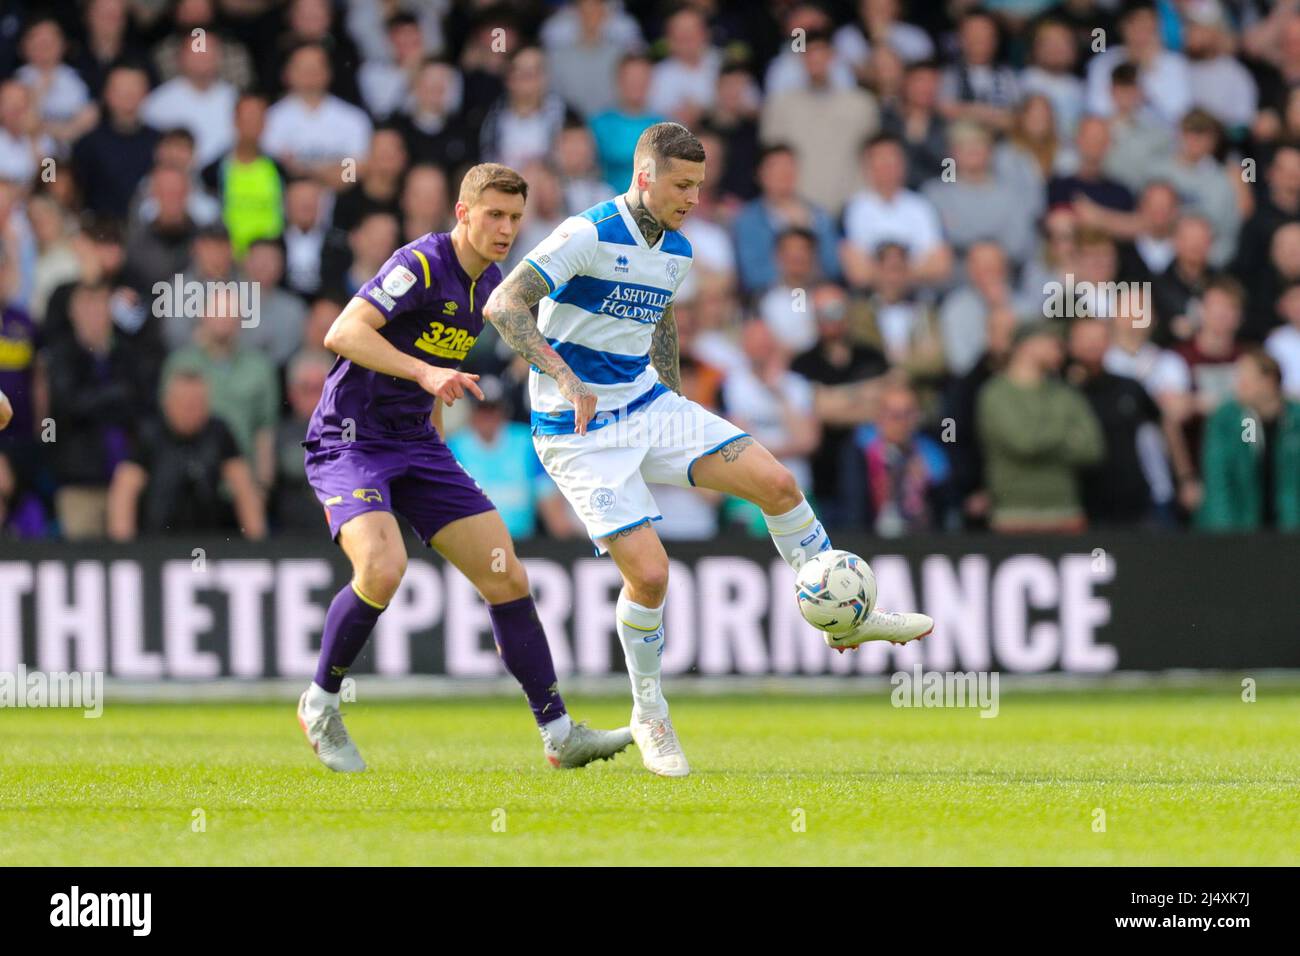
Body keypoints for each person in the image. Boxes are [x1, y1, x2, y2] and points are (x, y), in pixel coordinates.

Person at [485, 122, 932, 778]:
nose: (694, 196)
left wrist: (672, 404)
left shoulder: (679, 251)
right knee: (652, 575)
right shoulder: (587, 233)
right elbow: (503, 305)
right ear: (645, 177)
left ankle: (841, 618)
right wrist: (563, 377)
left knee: (778, 485)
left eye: (700, 184)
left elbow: (657, 317)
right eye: (682, 184)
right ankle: (649, 712)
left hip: (648, 407)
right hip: (577, 429)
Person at [300, 162, 631, 773]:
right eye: (494, 216)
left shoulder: (491, 286)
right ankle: (321, 703)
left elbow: (437, 383)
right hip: (351, 441)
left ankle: (559, 733)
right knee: (383, 566)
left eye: (514, 218)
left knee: (505, 576)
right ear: (463, 214)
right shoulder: (419, 264)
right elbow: (343, 332)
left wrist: (436, 443)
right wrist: (426, 372)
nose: (505, 229)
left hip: (418, 446)